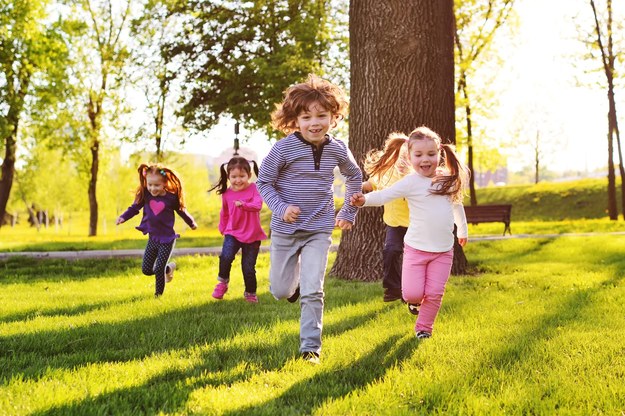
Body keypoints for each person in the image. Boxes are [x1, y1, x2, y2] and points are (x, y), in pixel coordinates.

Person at [257, 74, 362, 364]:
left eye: (321, 115)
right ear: (295, 120)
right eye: (306, 117)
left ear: (334, 116)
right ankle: (297, 284)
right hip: (286, 229)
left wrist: (348, 211)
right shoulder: (283, 148)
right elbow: (264, 182)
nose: (314, 123)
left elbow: (354, 177)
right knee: (280, 291)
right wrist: (281, 207)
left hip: (319, 228)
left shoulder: (337, 148)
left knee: (314, 291)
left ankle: (310, 349)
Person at [350, 126, 469, 339]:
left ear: (440, 153)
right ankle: (414, 303)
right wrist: (363, 200)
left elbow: (457, 205)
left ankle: (424, 328)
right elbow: (384, 196)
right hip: (416, 248)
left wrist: (463, 230)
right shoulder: (410, 182)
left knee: (434, 294)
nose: (426, 159)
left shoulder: (446, 180)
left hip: (443, 250)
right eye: (419, 155)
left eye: (431, 154)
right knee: (412, 294)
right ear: (410, 156)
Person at [117, 163, 197, 297]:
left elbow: (182, 211)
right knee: (147, 269)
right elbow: (134, 208)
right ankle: (169, 268)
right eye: (150, 185)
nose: (153, 188)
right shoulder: (146, 195)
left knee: (158, 268)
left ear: (165, 183)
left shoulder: (171, 198)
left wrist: (191, 222)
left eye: (157, 185)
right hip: (153, 238)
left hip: (167, 239)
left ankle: (158, 295)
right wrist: (123, 217)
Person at [208, 156, 267, 303]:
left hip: (252, 234)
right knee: (226, 256)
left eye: (242, 176)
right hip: (232, 232)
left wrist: (243, 205)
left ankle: (250, 293)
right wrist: (222, 227)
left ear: (249, 175)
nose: (238, 180)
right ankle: (222, 283)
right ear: (228, 176)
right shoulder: (227, 193)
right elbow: (225, 212)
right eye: (234, 177)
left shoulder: (255, 188)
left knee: (248, 268)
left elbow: (258, 205)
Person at [362, 132, 412, 302]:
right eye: (399, 158)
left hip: (416, 224)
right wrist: (357, 187)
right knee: (391, 251)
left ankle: (410, 290)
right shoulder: (386, 172)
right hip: (395, 223)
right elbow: (371, 185)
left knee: (413, 258)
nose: (403, 163)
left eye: (407, 158)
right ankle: (393, 288)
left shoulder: (416, 175)